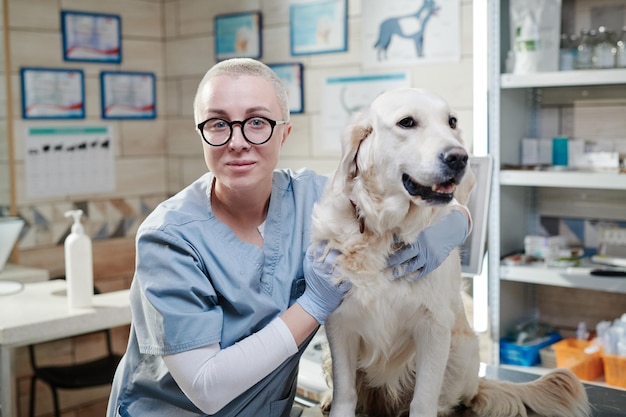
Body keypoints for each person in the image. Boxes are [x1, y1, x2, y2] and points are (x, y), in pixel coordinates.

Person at [106, 58, 472, 417]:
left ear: (284, 132)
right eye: (218, 124)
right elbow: (207, 388)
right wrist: (314, 304)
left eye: (257, 122)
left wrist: (455, 224)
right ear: (200, 132)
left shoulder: (313, 198)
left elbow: (400, 188)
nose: (237, 141)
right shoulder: (167, 238)